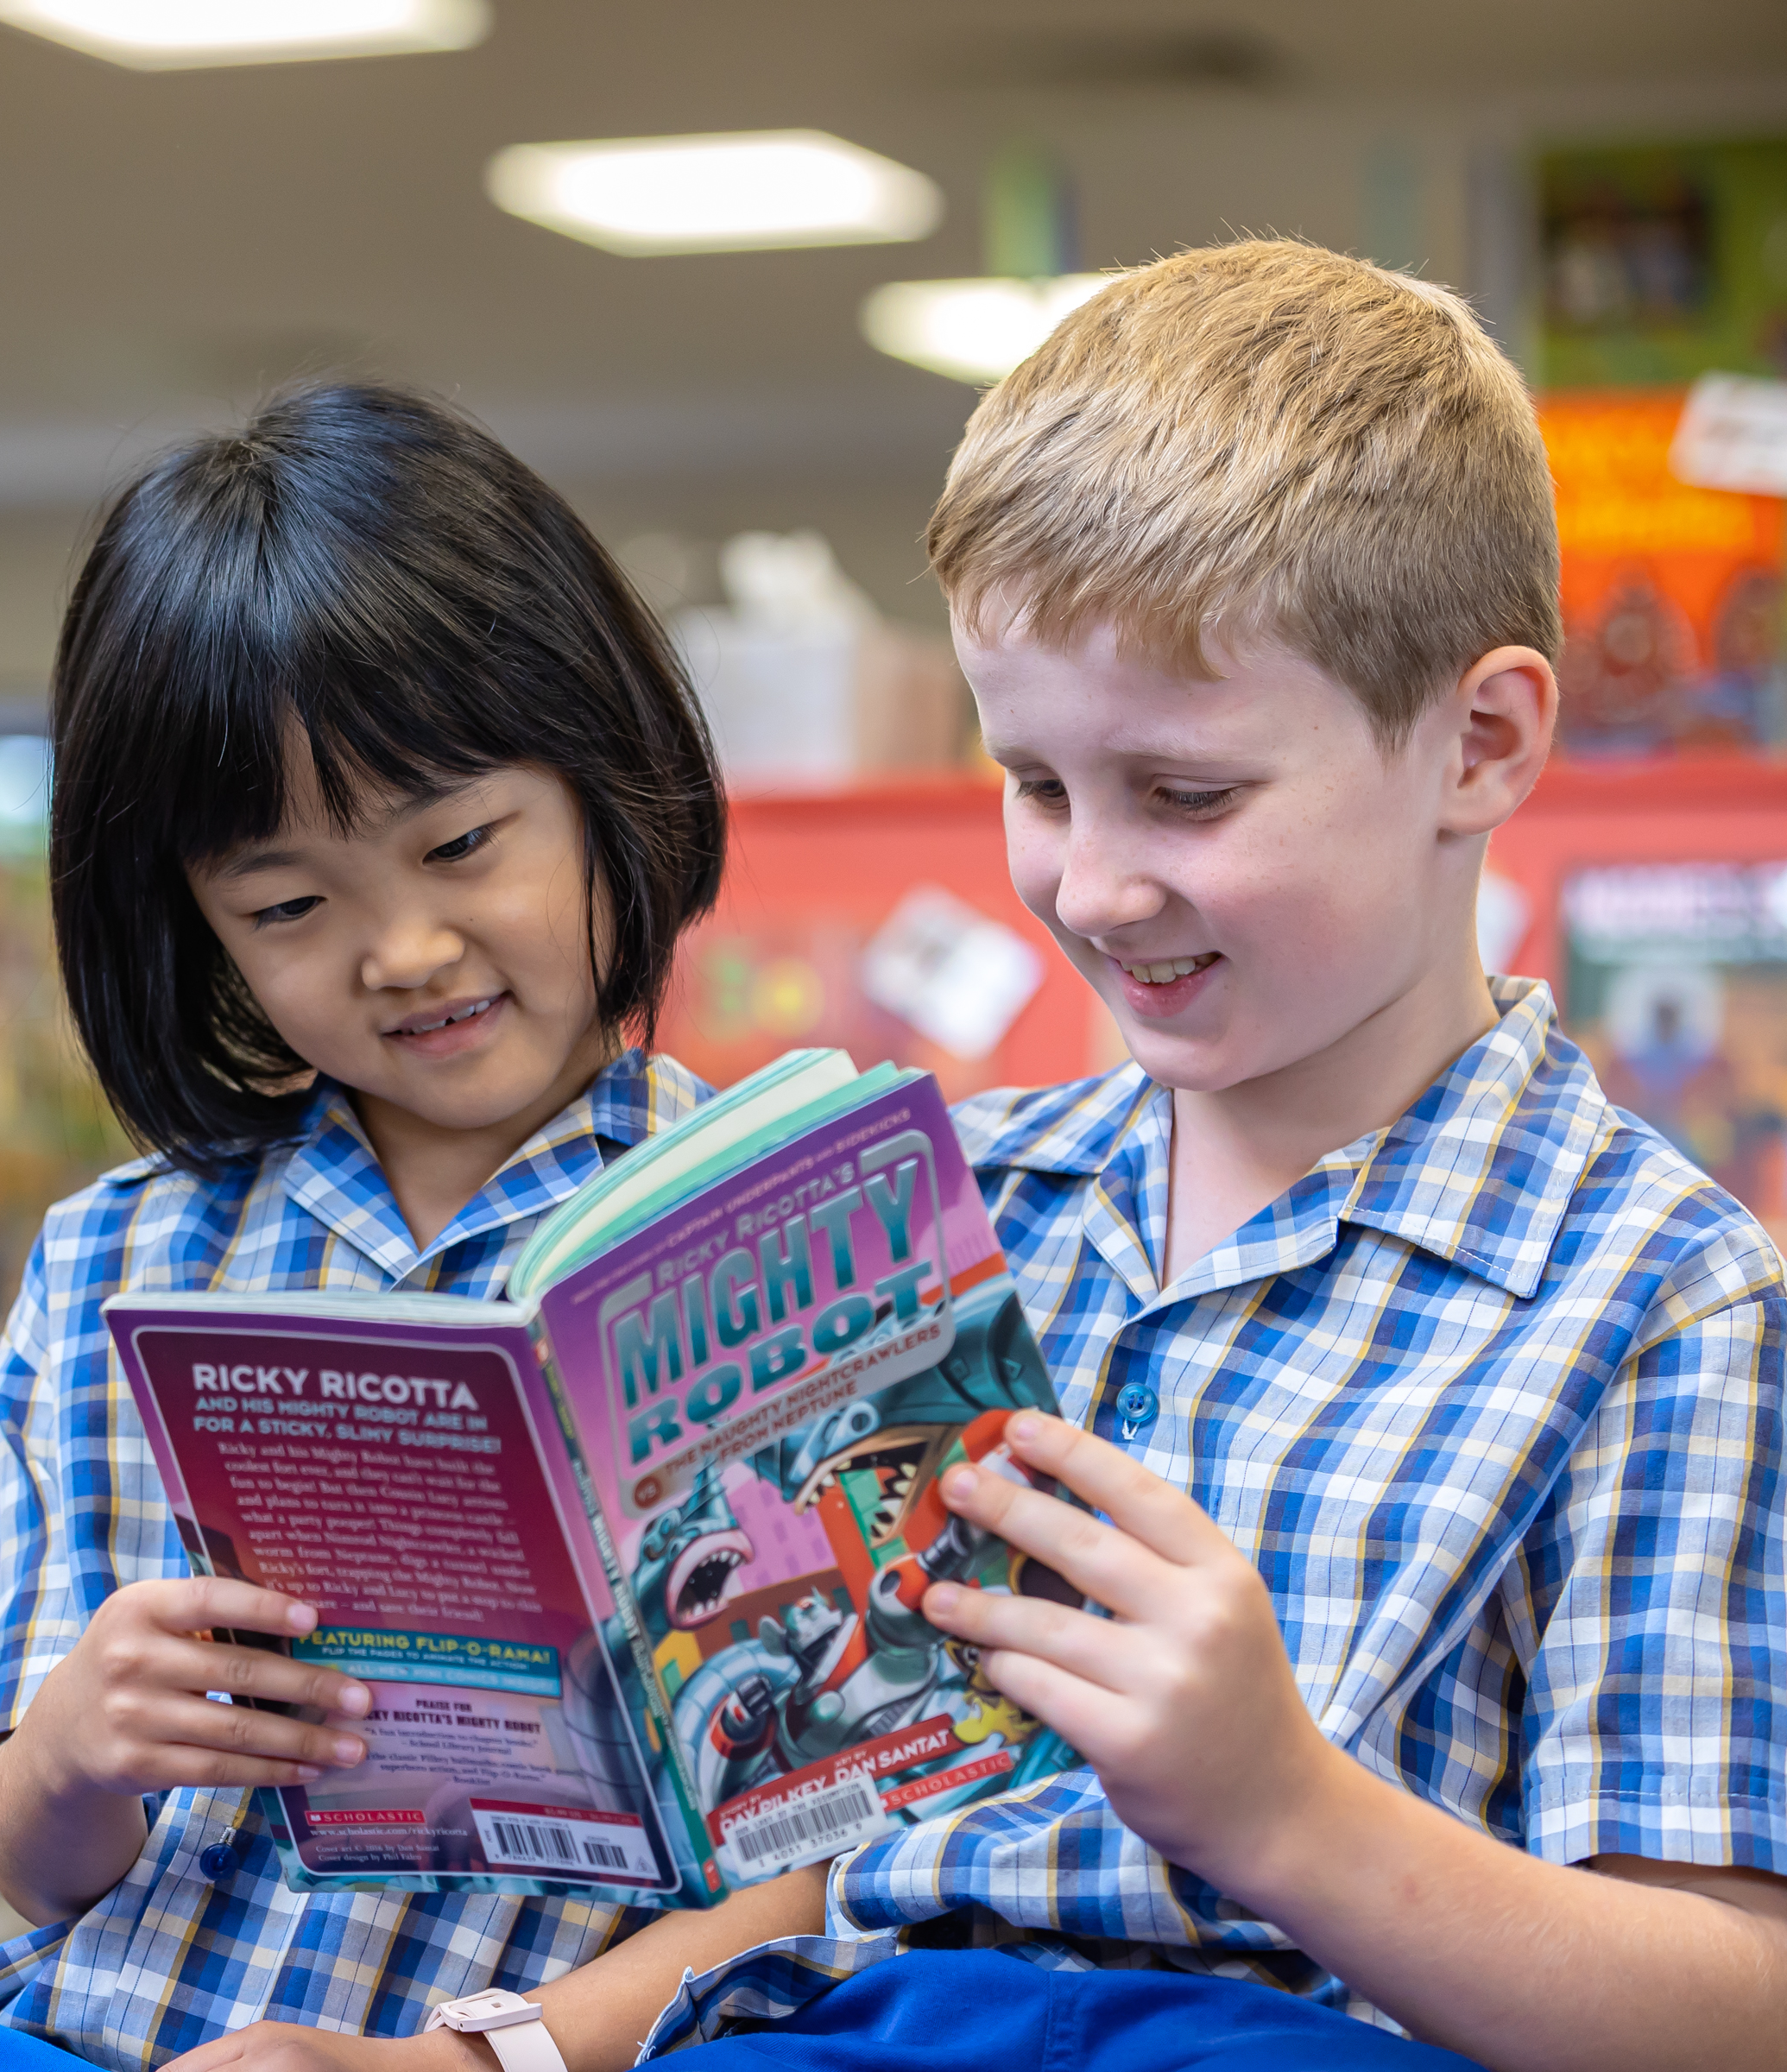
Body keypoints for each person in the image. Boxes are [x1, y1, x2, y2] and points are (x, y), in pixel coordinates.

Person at [162, 243, 1787, 2071]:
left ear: (1478, 743)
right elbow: (825, 1864)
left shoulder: (1662, 1301)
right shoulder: (943, 1205)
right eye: (1036, 785)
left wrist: (1282, 1813)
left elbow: (1732, 2009)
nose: (1093, 885)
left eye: (1190, 794)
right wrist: (472, 2057)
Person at [0, 382, 730, 2070]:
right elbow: (40, 1873)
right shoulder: (123, 1259)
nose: (402, 947)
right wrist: (75, 1749)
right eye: (288, 904)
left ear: (608, 781)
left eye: (462, 843)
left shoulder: (771, 1237)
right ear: (192, 928)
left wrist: (469, 2063)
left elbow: (841, 1869)